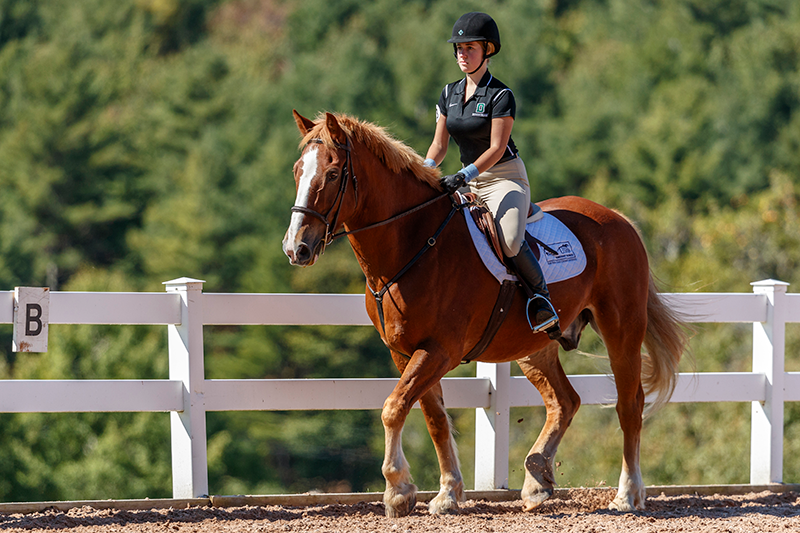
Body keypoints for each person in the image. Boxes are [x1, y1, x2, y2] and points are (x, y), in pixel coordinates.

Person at [423, 11, 560, 337]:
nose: (462, 54)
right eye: (458, 48)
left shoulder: (500, 96)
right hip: (467, 179)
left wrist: (464, 173)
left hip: (504, 178)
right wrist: (425, 170)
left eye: (469, 48)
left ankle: (542, 299)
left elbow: (497, 148)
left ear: (488, 50)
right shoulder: (447, 94)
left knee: (510, 240)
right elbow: (439, 146)